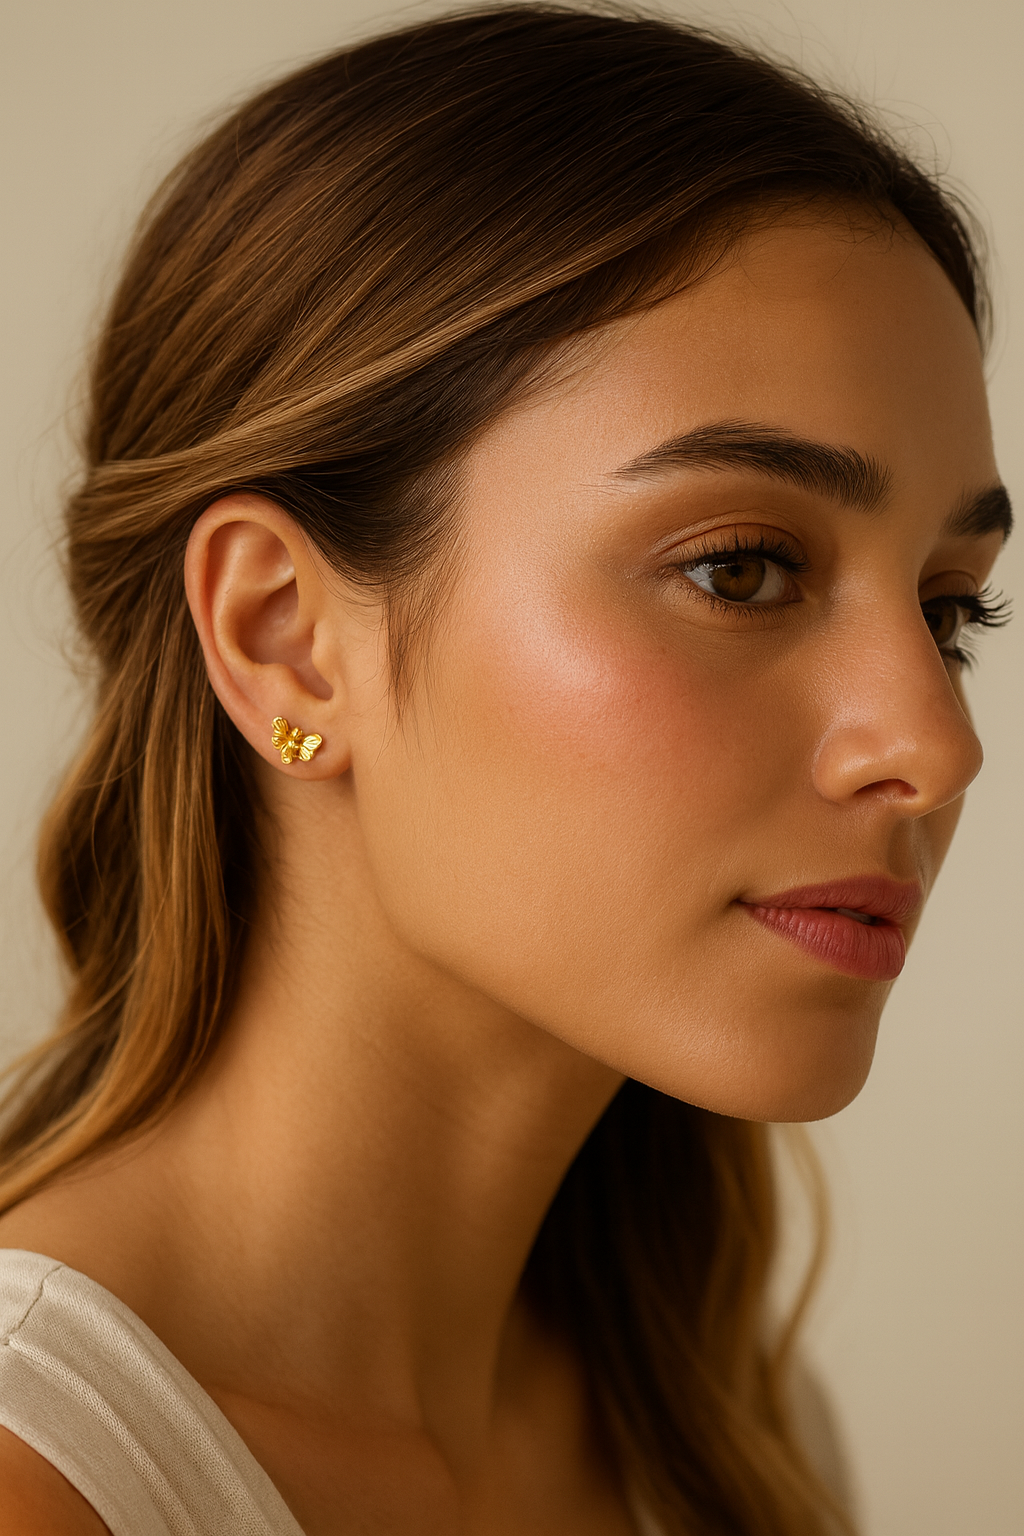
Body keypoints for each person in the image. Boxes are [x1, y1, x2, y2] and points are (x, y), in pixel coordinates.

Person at [0, 5, 1012, 1533]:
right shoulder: (45, 1484)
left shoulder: (726, 1437)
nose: (936, 746)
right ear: (286, 640)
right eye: (742, 569)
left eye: (950, 609)